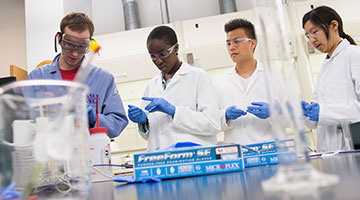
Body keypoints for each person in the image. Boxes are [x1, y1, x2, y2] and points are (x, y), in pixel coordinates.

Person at [27, 12, 128, 138]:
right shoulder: (37, 78)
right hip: (49, 153)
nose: (75, 53)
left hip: (90, 154)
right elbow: (24, 123)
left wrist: (93, 119)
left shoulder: (103, 79)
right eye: (69, 44)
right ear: (59, 39)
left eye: (82, 47)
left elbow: (118, 124)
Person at [127, 26, 221, 151]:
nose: (158, 60)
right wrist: (144, 122)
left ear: (176, 48)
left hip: (193, 159)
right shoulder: (151, 86)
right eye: (153, 56)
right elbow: (152, 135)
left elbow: (212, 124)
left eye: (163, 54)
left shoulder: (198, 77)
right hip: (160, 161)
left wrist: (174, 111)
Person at [302, 6, 360, 152]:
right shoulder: (325, 66)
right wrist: (305, 114)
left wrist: (322, 112)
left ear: (334, 25)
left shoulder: (354, 55)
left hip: (352, 148)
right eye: (308, 36)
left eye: (315, 32)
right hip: (329, 151)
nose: (312, 40)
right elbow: (316, 121)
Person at [214, 18, 273, 145]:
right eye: (228, 43)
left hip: (268, 151)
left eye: (237, 42)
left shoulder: (273, 77)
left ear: (252, 43)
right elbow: (211, 122)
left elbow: (293, 118)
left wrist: (274, 112)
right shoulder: (220, 83)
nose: (232, 47)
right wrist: (225, 116)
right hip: (235, 155)